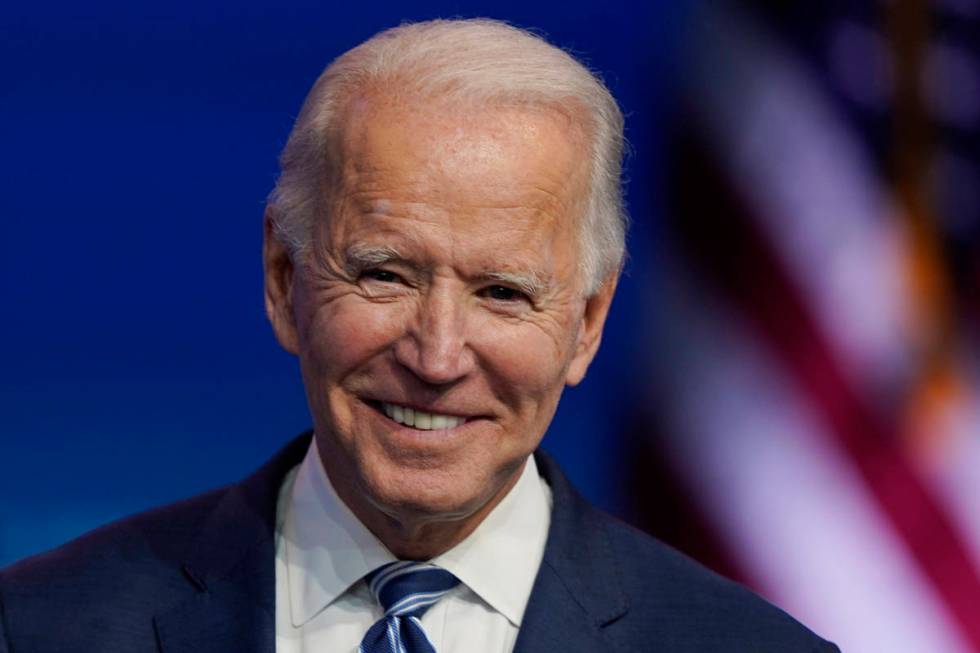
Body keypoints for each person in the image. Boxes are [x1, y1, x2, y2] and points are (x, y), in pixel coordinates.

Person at [0, 18, 838, 653]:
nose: (436, 357)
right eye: (385, 274)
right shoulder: (41, 626)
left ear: (587, 323)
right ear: (284, 279)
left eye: (503, 292)